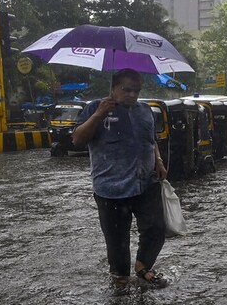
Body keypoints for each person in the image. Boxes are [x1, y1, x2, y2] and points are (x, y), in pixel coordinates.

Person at [72, 68, 169, 289]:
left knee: (156, 228)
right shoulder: (94, 108)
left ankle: (143, 268)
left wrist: (159, 161)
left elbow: (150, 141)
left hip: (146, 182)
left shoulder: (145, 111)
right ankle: (120, 278)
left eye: (136, 91)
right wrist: (99, 115)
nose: (132, 95)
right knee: (117, 242)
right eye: (126, 90)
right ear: (113, 88)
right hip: (110, 189)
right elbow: (77, 139)